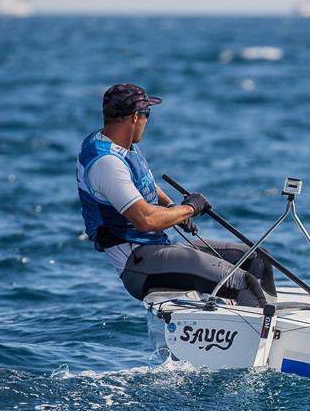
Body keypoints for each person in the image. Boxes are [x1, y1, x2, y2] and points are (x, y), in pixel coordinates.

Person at [76, 83, 275, 307]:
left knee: (257, 258)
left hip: (158, 248)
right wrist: (191, 208)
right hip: (139, 263)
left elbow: (145, 186)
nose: (147, 121)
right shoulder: (107, 163)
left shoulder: (120, 144)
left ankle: (267, 313)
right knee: (241, 283)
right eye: (147, 114)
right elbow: (146, 220)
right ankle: (265, 331)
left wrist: (172, 207)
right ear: (134, 117)